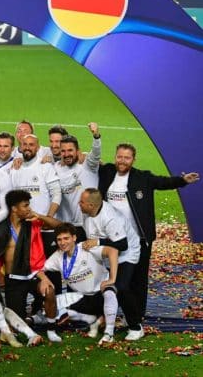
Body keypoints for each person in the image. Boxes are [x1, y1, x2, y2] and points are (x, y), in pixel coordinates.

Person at [98, 143, 199, 321]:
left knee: (139, 278)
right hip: (113, 238)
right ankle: (111, 314)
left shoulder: (142, 178)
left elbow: (163, 182)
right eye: (119, 157)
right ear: (115, 157)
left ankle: (138, 315)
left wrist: (182, 181)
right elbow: (89, 163)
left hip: (139, 237)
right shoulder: (107, 172)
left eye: (126, 158)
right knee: (114, 276)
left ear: (133, 160)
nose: (122, 161)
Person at [78, 188, 143, 340]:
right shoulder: (87, 214)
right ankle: (102, 319)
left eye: (82, 202)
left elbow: (122, 244)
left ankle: (136, 327)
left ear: (91, 206)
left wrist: (97, 241)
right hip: (107, 253)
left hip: (127, 253)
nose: (78, 204)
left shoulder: (109, 217)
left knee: (121, 287)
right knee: (97, 286)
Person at [2, 190, 62, 342]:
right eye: (25, 206)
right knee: (17, 327)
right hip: (13, 279)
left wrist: (40, 216)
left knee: (49, 291)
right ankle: (31, 319)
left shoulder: (33, 222)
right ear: (14, 208)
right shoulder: (1, 228)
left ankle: (51, 330)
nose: (29, 209)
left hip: (33, 274)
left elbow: (61, 226)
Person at [43, 223, 119, 345]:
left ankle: (108, 334)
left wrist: (112, 278)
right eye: (59, 239)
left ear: (74, 237)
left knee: (109, 291)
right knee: (54, 308)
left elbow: (113, 251)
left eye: (66, 238)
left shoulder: (86, 247)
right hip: (82, 298)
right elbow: (40, 269)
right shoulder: (57, 256)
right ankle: (93, 320)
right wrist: (44, 279)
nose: (62, 242)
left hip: (100, 294)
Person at [55, 124, 101, 226]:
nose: (66, 154)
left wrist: (96, 136)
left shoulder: (87, 164)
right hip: (66, 226)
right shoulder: (55, 168)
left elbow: (96, 154)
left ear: (78, 151)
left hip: (90, 224)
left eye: (70, 150)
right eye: (63, 151)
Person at [9, 135, 61, 217]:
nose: (27, 147)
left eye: (31, 145)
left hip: (42, 224)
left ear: (37, 148)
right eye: (24, 144)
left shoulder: (46, 166)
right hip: (22, 225)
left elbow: (56, 194)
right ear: (21, 147)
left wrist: (48, 218)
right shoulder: (14, 169)